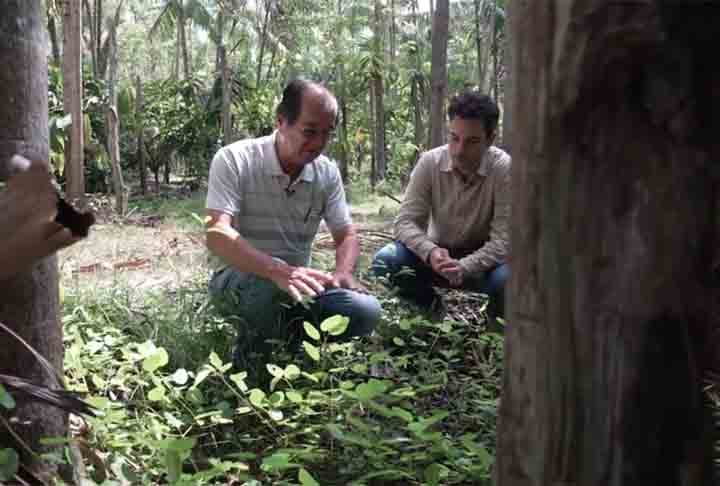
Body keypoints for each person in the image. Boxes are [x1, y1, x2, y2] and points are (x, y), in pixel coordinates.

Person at [205, 79, 381, 372]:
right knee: (268, 294)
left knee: (366, 311)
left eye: (326, 134)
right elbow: (217, 234)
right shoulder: (235, 159)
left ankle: (286, 342)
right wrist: (275, 269)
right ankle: (254, 365)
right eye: (309, 132)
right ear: (281, 121)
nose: (318, 144)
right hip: (238, 280)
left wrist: (342, 273)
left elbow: (346, 235)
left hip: (298, 285)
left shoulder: (326, 173)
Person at [371, 90, 510, 329]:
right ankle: (429, 309)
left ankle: (495, 326)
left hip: (486, 266)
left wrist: (466, 266)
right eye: (454, 138)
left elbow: (505, 240)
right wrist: (431, 252)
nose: (459, 150)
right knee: (386, 261)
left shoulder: (504, 169)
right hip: (437, 259)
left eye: (472, 141)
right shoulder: (430, 162)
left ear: (491, 139)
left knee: (510, 278)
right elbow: (405, 222)